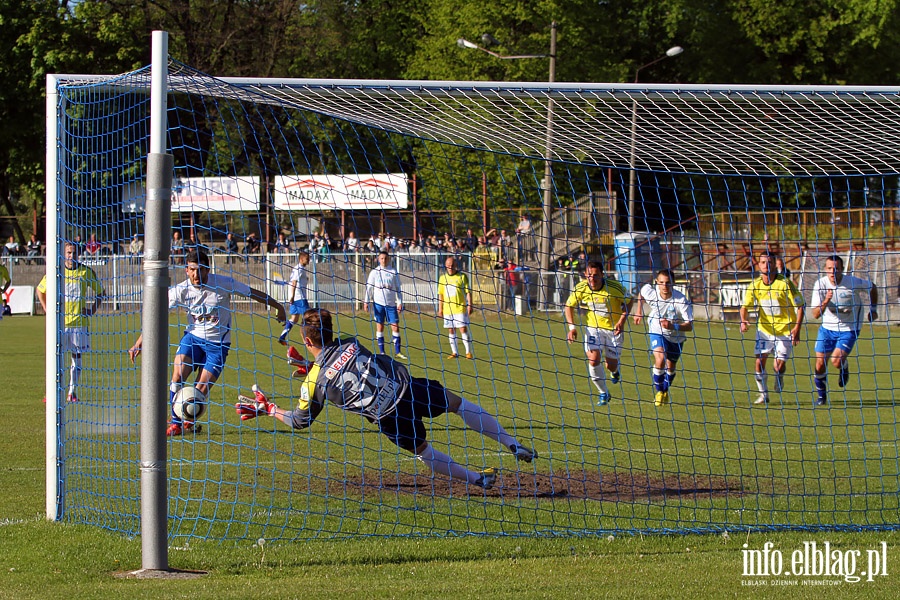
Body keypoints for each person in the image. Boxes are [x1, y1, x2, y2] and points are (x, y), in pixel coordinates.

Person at [234, 309, 536, 490]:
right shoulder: (351, 342)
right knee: (457, 405)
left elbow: (301, 421)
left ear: (307, 340)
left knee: (423, 451)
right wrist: (313, 367)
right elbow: (342, 362)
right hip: (406, 388)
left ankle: (476, 480)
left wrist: (269, 408)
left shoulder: (315, 382)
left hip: (388, 415)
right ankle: (512, 443)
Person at [127, 247, 286, 436]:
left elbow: (252, 293)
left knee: (199, 390)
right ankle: (176, 423)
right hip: (193, 339)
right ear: (186, 270)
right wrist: (140, 341)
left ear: (207, 270)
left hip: (218, 346)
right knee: (177, 376)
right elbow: (156, 313)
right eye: (192, 269)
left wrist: (278, 306)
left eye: (200, 269)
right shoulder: (180, 290)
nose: (196, 273)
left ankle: (188, 420)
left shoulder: (224, 284)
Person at [36, 242, 106, 403]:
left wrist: (92, 310)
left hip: (78, 324)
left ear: (78, 255)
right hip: (59, 324)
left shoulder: (85, 272)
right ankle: (52, 392)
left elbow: (101, 293)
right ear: (63, 254)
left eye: (73, 253)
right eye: (68, 253)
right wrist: (47, 309)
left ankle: (72, 391)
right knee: (56, 358)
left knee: (77, 356)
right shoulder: (56, 271)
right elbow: (40, 290)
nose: (71, 256)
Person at [810, 255, 878, 406]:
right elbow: (815, 314)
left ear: (842, 269)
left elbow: (872, 287)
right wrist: (826, 300)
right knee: (820, 364)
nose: (833, 272)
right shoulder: (820, 285)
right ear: (825, 270)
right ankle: (822, 397)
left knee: (836, 361)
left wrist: (873, 310)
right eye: (829, 269)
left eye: (836, 269)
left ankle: (844, 366)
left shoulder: (852, 282)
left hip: (850, 328)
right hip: (827, 328)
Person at [739, 251, 806, 406]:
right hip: (765, 330)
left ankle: (779, 375)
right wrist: (743, 320)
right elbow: (745, 307)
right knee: (759, 362)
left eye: (770, 262)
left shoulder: (785, 284)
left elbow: (801, 306)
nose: (766, 265)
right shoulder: (755, 285)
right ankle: (764, 395)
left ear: (775, 264)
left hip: (785, 330)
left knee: (778, 366)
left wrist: (797, 329)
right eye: (763, 262)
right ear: (759, 265)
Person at [564, 261, 632, 406]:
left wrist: (622, 320)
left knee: (610, 365)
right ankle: (603, 392)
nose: (592, 279)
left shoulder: (614, 288)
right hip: (593, 328)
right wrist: (572, 328)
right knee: (594, 359)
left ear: (602, 275)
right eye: (589, 276)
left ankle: (615, 371)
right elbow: (569, 306)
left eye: (596, 275)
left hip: (614, 330)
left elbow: (629, 301)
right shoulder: (581, 288)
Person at [633, 269, 694, 406]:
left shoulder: (680, 300)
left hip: (676, 337)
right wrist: (638, 311)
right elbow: (641, 293)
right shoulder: (651, 293)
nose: (664, 286)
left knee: (671, 368)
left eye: (668, 283)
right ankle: (659, 392)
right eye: (661, 283)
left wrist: (673, 326)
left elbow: (690, 326)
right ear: (656, 283)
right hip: (657, 330)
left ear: (674, 283)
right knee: (660, 359)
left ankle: (664, 390)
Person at [364, 250, 406, 360]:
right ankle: (382, 352)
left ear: (389, 259)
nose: (384, 260)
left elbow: (398, 288)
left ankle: (398, 352)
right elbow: (369, 288)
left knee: (395, 327)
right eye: (382, 258)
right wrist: (366, 301)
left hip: (391, 304)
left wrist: (400, 302)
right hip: (378, 304)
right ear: (378, 259)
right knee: (380, 326)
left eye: (386, 258)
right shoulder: (374, 272)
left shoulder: (393, 272)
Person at [438, 256, 474, 359]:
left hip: (460, 308)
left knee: (462, 329)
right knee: (451, 330)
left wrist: (470, 305)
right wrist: (440, 309)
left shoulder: (462, 276)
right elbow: (441, 294)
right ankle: (455, 352)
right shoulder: (442, 278)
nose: (450, 267)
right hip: (448, 310)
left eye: (452, 265)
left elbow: (468, 292)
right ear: (445, 266)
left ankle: (468, 352)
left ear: (456, 266)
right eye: (448, 265)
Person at [278, 251, 312, 350]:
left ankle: (282, 337)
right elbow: (294, 282)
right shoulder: (299, 269)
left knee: (294, 319)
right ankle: (308, 340)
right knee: (309, 317)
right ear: (301, 259)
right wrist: (292, 296)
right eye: (307, 258)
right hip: (299, 297)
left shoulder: (298, 268)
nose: (308, 260)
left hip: (295, 297)